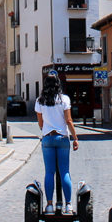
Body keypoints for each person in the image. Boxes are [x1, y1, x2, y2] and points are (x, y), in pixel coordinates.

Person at [34, 71, 79, 214]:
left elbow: (40, 123)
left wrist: (47, 127)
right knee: (65, 171)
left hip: (47, 138)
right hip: (62, 138)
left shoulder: (40, 101)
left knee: (49, 172)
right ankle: (68, 205)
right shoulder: (64, 99)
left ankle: (49, 205)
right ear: (58, 84)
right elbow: (69, 121)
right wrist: (75, 138)